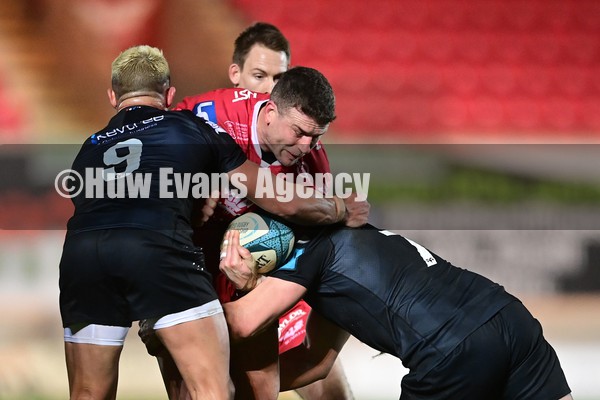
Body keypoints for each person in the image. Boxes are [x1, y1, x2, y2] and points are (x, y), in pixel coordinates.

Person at [58, 45, 367, 400]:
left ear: (113, 96)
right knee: (212, 390)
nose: (309, 144)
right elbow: (279, 198)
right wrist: (342, 209)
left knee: (87, 393)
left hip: (82, 257)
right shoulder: (193, 123)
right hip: (160, 253)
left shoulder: (89, 147)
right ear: (170, 95)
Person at [141, 64, 360, 400]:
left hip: (252, 279)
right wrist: (188, 193)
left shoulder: (313, 166)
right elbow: (147, 156)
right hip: (190, 265)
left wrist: (262, 285)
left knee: (294, 386)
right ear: (271, 111)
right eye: (300, 132)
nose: (307, 145)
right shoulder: (210, 114)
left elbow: (311, 243)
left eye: (317, 136)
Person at [219, 224, 574, 400]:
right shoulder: (357, 240)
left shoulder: (305, 253)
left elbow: (243, 321)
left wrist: (247, 288)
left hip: (449, 349)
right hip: (510, 318)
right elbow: (318, 363)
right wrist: (247, 386)